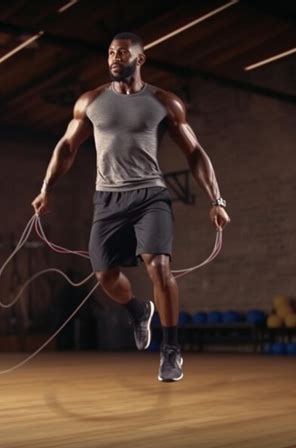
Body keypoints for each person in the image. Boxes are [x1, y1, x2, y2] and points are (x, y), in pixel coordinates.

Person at [31, 32, 230, 382]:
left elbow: (195, 152)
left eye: (122, 53)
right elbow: (67, 146)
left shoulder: (164, 102)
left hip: (150, 196)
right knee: (104, 275)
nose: (114, 58)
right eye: (109, 52)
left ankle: (170, 350)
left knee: (159, 268)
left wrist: (216, 199)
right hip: (107, 198)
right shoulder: (90, 102)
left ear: (140, 58)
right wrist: (46, 187)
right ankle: (138, 310)